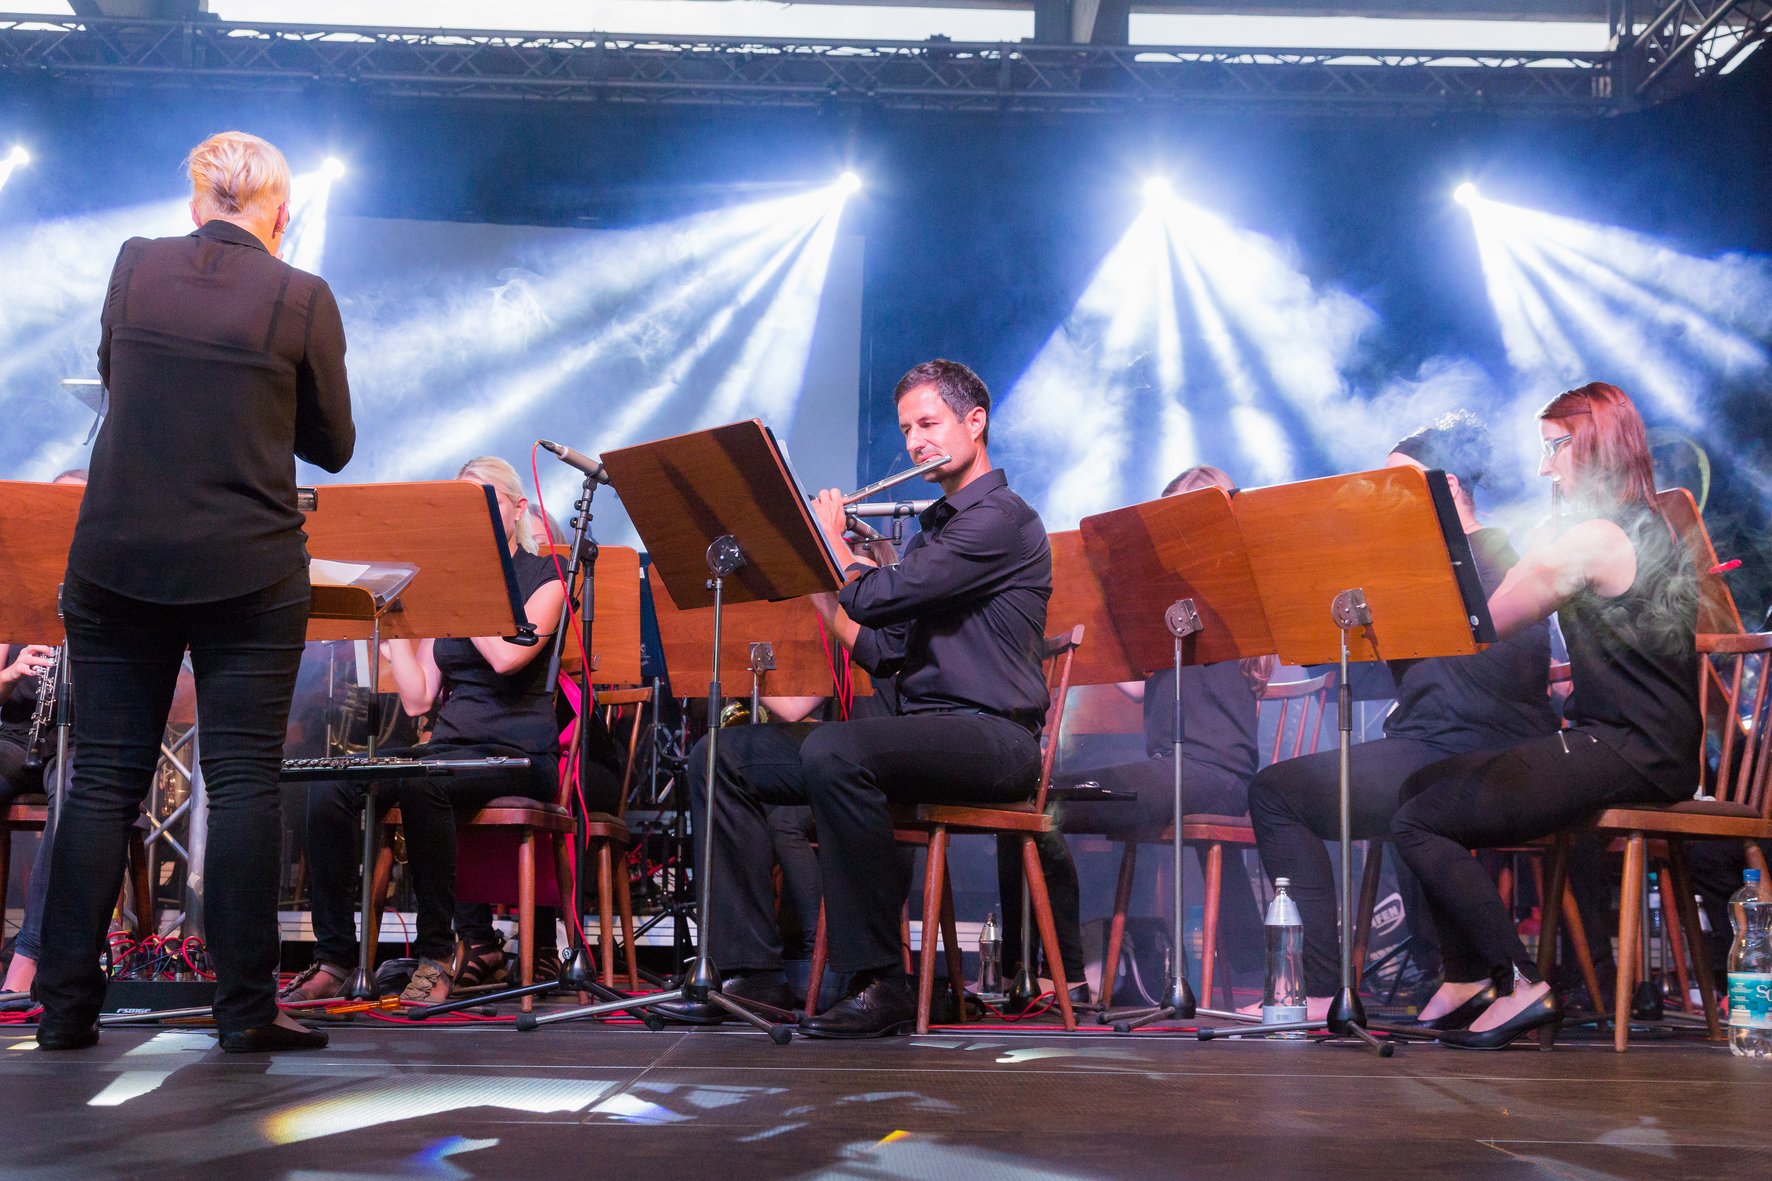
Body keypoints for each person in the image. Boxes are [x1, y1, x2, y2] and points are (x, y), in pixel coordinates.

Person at [34, 131, 354, 1053]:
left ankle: (64, 1008)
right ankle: (245, 1011)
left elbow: (117, 377)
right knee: (245, 780)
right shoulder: (301, 294)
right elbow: (333, 445)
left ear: (195, 203)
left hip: (117, 557)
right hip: (246, 566)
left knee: (102, 777)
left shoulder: (134, 265)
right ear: (281, 214)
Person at [681, 358, 1052, 1038]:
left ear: (975, 421)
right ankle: (751, 972)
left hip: (996, 740)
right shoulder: (938, 531)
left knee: (835, 746)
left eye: (929, 423)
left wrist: (834, 544)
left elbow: (878, 595)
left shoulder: (1000, 518)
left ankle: (880, 979)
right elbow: (883, 648)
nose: (915, 442)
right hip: (926, 732)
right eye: (907, 429)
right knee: (719, 755)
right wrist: (816, 575)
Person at [1392, 382, 1699, 1049]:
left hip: (1629, 748)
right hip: (1644, 744)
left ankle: (1519, 983)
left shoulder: (1594, 536)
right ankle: (1467, 977)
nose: (1543, 468)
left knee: (1419, 817)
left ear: (1594, 445)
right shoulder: (1643, 525)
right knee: (1422, 786)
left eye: (1554, 448)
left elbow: (1488, 622)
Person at [1246, 412, 1560, 1023]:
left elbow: (1491, 688)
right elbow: (1324, 646)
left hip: (1481, 748)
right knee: (1281, 790)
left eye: (1399, 484)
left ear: (1448, 487)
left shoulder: (1493, 557)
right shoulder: (1418, 564)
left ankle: (1327, 988)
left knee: (1278, 794)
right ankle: (1440, 976)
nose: (1382, 497)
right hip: (1431, 743)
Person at [284, 457, 588, 1008]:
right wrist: (397, 617)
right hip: (452, 750)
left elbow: (507, 658)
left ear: (518, 508)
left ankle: (436, 954)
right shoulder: (452, 584)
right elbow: (420, 697)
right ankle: (334, 957)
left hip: (518, 752)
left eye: (485, 499)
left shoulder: (547, 575)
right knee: (330, 783)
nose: (473, 514)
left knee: (425, 780)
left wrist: (466, 588)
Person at [996, 465, 1272, 1002]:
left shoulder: (1233, 592)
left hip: (1215, 774)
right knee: (1028, 803)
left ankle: (1066, 974)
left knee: (1044, 807)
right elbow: (1141, 688)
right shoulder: (1168, 607)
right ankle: (1023, 972)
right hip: (1171, 769)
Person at [1, 470, 89, 1005]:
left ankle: (29, 958)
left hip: (78, 737)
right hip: (15, 735)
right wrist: (13, 672)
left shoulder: (111, 582)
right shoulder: (16, 587)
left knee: (77, 798)